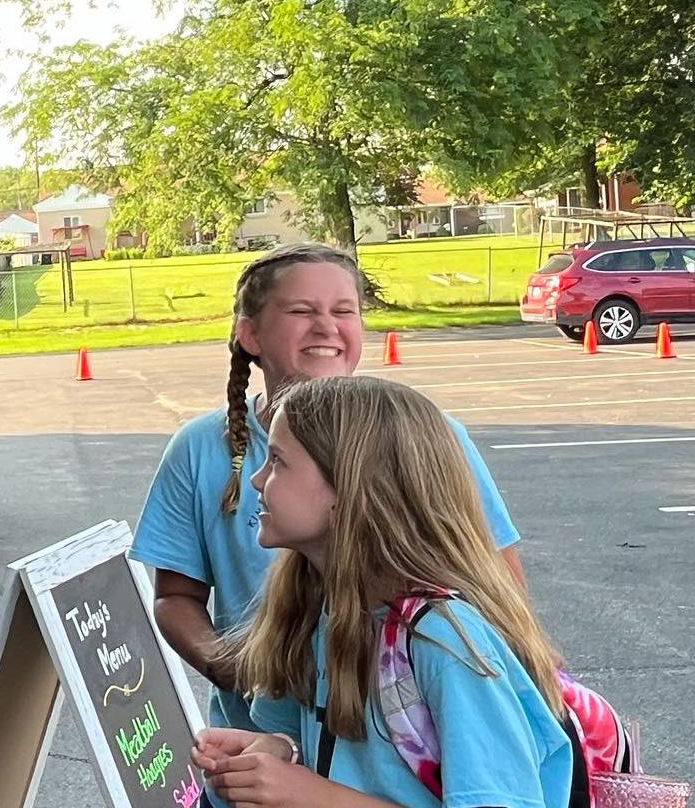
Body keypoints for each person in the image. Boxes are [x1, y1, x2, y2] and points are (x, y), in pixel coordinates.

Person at [128, 244, 523, 799]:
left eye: (345, 310)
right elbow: (175, 596)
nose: (327, 327)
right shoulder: (319, 618)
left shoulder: (441, 644)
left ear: (360, 486)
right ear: (250, 334)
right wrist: (270, 734)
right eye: (300, 310)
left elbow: (499, 588)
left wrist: (304, 790)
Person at [191, 376, 573, 808]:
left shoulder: (444, 645)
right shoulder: (321, 608)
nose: (258, 481)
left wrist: (312, 796)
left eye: (277, 461)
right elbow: (328, 752)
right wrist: (282, 752)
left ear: (352, 490)